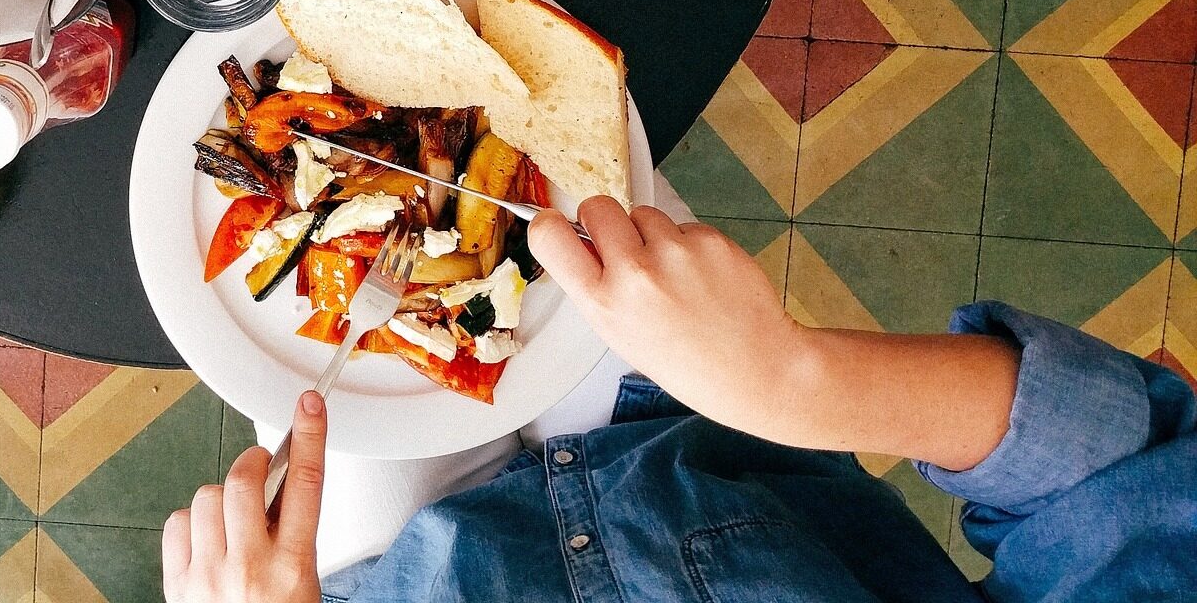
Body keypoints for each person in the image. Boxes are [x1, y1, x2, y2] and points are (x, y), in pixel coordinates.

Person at [165, 198, 1197, 602]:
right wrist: (796, 379)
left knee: (293, 283)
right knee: (550, 156)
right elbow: (1130, 474)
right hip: (707, 434)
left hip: (389, 569)